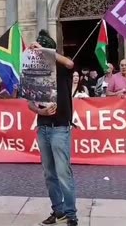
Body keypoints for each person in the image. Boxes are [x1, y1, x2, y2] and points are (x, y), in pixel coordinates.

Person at [26, 30, 78, 226]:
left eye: (41, 49)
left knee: (64, 173)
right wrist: (39, 112)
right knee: (49, 174)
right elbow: (29, 103)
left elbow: (70, 63)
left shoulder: (61, 68)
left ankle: (71, 214)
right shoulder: (35, 72)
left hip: (60, 128)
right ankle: (58, 210)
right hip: (43, 127)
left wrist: (46, 52)